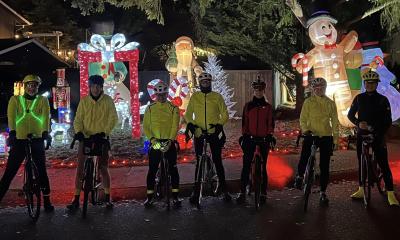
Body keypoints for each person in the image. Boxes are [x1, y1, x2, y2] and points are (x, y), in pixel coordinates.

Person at [0, 75, 54, 211]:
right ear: (24, 86)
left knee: (41, 170)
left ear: (38, 87)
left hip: (37, 138)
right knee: (10, 172)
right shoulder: (15, 100)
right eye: (29, 85)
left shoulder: (43, 100)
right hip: (19, 139)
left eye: (35, 85)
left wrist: (45, 133)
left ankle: (47, 201)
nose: (32, 88)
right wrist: (12, 133)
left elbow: (46, 117)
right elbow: (11, 117)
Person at [347, 69, 399, 206]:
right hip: (362, 134)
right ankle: (360, 189)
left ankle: (390, 193)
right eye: (367, 83)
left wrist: (378, 131)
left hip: (378, 134)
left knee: (383, 163)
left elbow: (388, 120)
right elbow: (350, 115)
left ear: (377, 84)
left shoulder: (383, 99)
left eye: (372, 83)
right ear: (364, 84)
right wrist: (358, 123)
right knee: (361, 161)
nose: (369, 85)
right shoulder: (359, 98)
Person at [67, 75, 118, 210]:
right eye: (93, 86)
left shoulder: (108, 101)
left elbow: (113, 118)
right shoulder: (84, 101)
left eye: (98, 86)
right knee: (80, 168)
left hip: (101, 137)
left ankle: (108, 198)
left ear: (102, 87)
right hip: (86, 137)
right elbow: (78, 119)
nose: (96, 89)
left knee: (103, 167)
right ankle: (76, 198)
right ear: (89, 87)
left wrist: (105, 132)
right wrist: (78, 131)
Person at [185, 72, 231, 203]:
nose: (205, 83)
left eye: (207, 81)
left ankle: (224, 190)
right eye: (203, 82)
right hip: (199, 133)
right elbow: (188, 115)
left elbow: (225, 114)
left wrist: (219, 125)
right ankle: (195, 191)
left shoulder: (217, 97)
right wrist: (193, 126)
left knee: (217, 160)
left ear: (210, 83)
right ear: (200, 83)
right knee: (199, 162)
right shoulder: (195, 97)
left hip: (214, 133)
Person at [293, 77, 339, 206]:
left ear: (325, 88)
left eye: (321, 88)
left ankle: (323, 192)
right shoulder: (308, 102)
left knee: (324, 166)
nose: (319, 90)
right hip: (311, 134)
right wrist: (305, 130)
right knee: (304, 155)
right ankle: (300, 176)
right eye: (316, 88)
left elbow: (335, 122)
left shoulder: (330, 103)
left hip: (325, 136)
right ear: (312, 89)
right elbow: (303, 118)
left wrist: (335, 139)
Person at [236, 76, 275, 204]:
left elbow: (271, 123)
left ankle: (263, 192)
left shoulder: (268, 107)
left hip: (264, 139)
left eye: (261, 90)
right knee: (246, 166)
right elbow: (244, 123)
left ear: (264, 91)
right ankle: (242, 192)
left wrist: (270, 135)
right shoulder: (248, 106)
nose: (258, 92)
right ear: (253, 91)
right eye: (256, 90)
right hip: (250, 138)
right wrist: (244, 135)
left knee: (263, 168)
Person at [143, 81, 181, 208]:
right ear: (155, 95)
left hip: (169, 142)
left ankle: (175, 196)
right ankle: (149, 197)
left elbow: (175, 125)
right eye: (159, 95)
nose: (161, 97)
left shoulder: (174, 108)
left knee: (173, 169)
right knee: (152, 169)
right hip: (156, 142)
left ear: (166, 94)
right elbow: (146, 126)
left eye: (163, 95)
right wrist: (153, 140)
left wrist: (170, 140)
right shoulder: (149, 108)